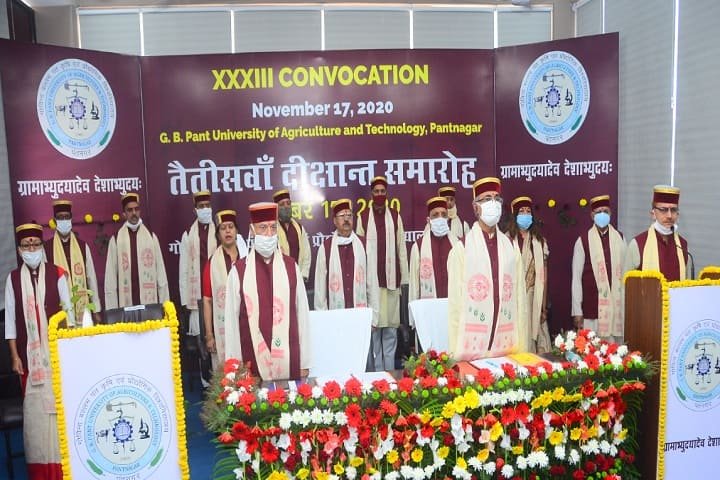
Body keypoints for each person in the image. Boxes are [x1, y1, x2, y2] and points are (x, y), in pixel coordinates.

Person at [5, 223, 74, 479]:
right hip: (29, 361)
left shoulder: (58, 274)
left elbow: (69, 316)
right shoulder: (13, 279)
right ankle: (41, 470)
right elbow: (10, 322)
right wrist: (14, 356)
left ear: (42, 246)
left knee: (60, 411)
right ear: (20, 250)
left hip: (57, 357)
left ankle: (64, 467)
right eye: (26, 245)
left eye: (35, 244)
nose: (31, 249)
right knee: (36, 417)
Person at [224, 202, 311, 380]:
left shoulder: (291, 267)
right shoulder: (239, 271)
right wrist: (234, 367)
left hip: (288, 359)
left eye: (273, 227)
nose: (269, 234)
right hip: (251, 361)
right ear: (252, 231)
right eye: (262, 228)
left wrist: (304, 362)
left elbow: (302, 315)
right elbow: (231, 324)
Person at [447, 177, 528, 360]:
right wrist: (454, 355)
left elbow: (520, 300)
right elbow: (455, 308)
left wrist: (522, 348)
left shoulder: (511, 246)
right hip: (472, 347)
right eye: (487, 199)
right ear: (476, 207)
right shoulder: (462, 249)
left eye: (497, 199)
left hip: (506, 344)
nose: (493, 203)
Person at [356, 175, 408, 371]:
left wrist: (404, 279)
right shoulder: (362, 217)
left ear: (387, 193)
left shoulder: (395, 216)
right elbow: (359, 251)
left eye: (382, 191)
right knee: (374, 331)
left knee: (391, 332)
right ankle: (376, 374)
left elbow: (401, 248)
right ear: (371, 194)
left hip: (392, 282)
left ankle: (390, 372)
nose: (379, 194)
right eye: (376, 191)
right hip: (373, 286)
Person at [571, 195, 627, 341]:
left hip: (616, 309)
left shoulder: (620, 238)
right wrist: (577, 311)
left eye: (605, 211)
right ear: (592, 215)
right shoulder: (583, 241)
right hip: (592, 310)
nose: (602, 215)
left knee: (616, 350)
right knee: (593, 349)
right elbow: (576, 278)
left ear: (610, 213)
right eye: (598, 212)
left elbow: (627, 273)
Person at [104, 192, 169, 309]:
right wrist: (112, 311)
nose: (134, 213)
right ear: (124, 214)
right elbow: (110, 278)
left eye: (136, 209)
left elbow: (161, 273)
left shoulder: (151, 237)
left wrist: (165, 306)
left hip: (149, 304)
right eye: (130, 210)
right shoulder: (116, 239)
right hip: (127, 303)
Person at [314, 198, 378, 315]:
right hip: (335, 317)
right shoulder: (326, 248)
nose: (346, 219)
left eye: (349, 215)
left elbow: (372, 283)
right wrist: (322, 317)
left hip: (360, 315)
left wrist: (373, 316)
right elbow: (320, 289)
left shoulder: (364, 245)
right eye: (342, 216)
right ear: (335, 221)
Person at [178, 191, 216, 384]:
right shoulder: (188, 234)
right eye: (201, 207)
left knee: (218, 337)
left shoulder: (219, 231)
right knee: (202, 341)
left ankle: (221, 381)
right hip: (197, 297)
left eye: (207, 206)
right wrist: (185, 300)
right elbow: (183, 269)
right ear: (195, 210)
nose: (205, 209)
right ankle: (206, 383)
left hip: (216, 295)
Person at [505, 196, 551, 353]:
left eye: (528, 211)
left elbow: (543, 277)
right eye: (521, 211)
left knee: (531, 339)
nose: (525, 214)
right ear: (515, 216)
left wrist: (543, 308)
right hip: (512, 299)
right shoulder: (505, 240)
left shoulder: (539, 242)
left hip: (532, 298)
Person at [45, 199, 102, 324]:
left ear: (71, 219)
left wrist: (96, 310)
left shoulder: (82, 246)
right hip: (59, 312)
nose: (64, 220)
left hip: (83, 311)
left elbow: (91, 278)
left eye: (67, 217)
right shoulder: (47, 249)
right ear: (55, 221)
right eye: (60, 218)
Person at [202, 209, 241, 370]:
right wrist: (209, 335)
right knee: (227, 373)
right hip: (223, 327)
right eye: (223, 228)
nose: (227, 231)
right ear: (218, 235)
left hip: (245, 323)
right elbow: (207, 300)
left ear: (236, 231)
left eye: (231, 227)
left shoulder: (248, 257)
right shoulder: (212, 263)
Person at [625, 185, 688, 281]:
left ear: (677, 214)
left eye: (673, 210)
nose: (669, 216)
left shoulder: (683, 245)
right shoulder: (638, 244)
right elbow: (626, 284)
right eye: (663, 210)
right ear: (653, 214)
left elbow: (687, 284)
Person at [409, 196, 459, 301]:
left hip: (453, 306)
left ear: (447, 218)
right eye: (435, 215)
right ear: (429, 220)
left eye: (443, 215)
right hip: (428, 308)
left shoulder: (457, 245)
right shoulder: (418, 247)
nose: (440, 218)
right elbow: (414, 287)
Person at [273, 189, 311, 281]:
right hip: (279, 280)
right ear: (276, 208)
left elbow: (307, 253)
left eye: (288, 203)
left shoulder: (299, 228)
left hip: (299, 278)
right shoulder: (272, 229)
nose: (286, 206)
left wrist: (303, 275)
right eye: (282, 204)